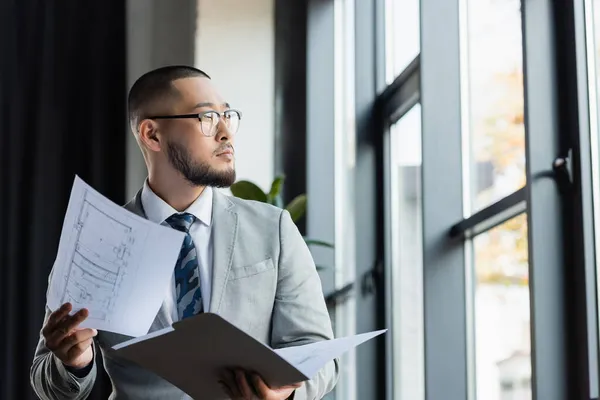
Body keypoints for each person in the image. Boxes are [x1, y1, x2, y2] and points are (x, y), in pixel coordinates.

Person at [30, 66, 339, 400]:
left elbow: (320, 356)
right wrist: (75, 362)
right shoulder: (97, 240)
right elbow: (46, 382)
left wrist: (282, 395)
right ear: (152, 135)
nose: (225, 132)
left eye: (227, 115)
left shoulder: (273, 229)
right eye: (206, 117)